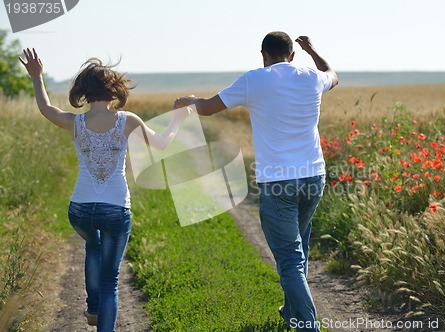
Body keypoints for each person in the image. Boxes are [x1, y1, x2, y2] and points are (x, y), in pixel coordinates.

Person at [174, 32, 338, 332]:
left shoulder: (254, 80)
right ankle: (292, 313)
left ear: (264, 55)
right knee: (298, 248)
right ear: (292, 55)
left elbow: (208, 107)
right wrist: (312, 50)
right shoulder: (312, 77)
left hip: (278, 182)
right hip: (315, 177)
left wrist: (188, 101)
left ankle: (307, 326)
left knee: (289, 258)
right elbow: (333, 75)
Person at [19, 49, 189, 332]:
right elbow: (161, 144)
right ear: (115, 91)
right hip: (115, 209)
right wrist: (177, 118)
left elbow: (46, 108)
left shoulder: (75, 122)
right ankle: (101, 318)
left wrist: (37, 77)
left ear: (84, 92)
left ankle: (94, 308)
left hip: (80, 210)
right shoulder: (127, 120)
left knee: (92, 245)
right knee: (110, 281)